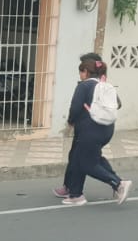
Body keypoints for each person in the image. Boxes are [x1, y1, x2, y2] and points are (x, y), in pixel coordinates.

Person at [56, 55, 131, 206]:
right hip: (106, 129)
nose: (80, 75)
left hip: (89, 131)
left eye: (81, 71)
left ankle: (117, 183)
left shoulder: (84, 86)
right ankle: (76, 195)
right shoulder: (105, 85)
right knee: (80, 158)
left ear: (86, 72)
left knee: (86, 163)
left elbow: (75, 107)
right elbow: (118, 104)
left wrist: (70, 122)